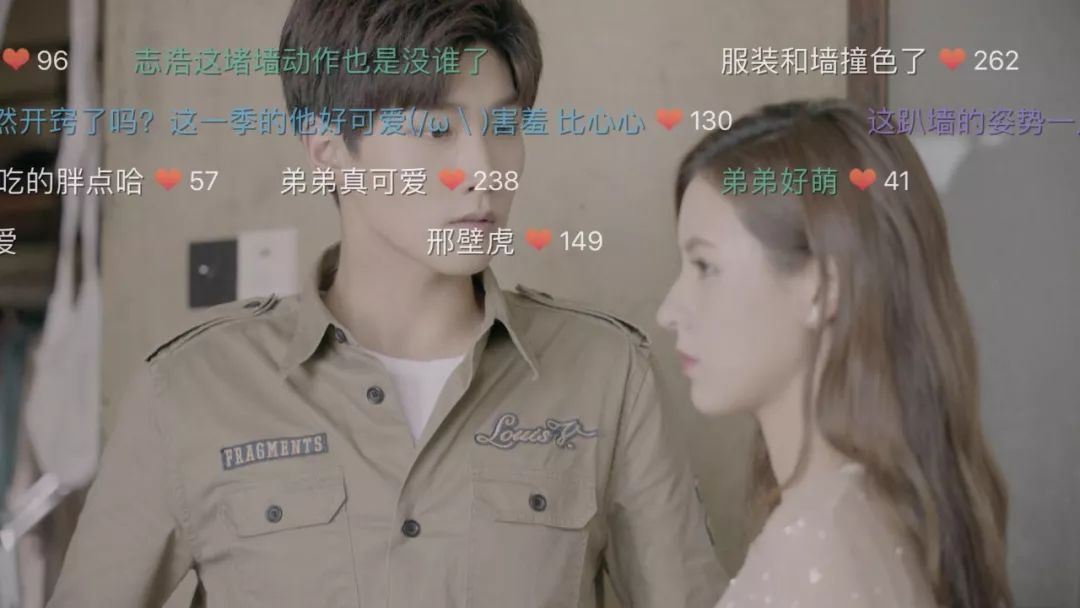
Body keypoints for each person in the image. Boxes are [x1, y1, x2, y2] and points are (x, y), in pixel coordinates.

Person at [46, 1, 725, 606]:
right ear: (329, 151)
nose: (484, 168)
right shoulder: (190, 391)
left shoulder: (609, 376)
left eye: (503, 124)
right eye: (436, 130)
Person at [656, 99, 1012, 608]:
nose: (669, 311)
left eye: (704, 267)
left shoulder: (816, 548)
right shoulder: (874, 516)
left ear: (823, 286)